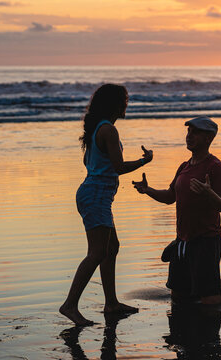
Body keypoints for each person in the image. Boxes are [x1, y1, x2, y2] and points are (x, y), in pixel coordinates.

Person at [133, 116, 221, 305]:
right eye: (188, 132)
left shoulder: (216, 168)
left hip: (206, 240)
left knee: (209, 300)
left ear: (208, 138)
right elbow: (170, 197)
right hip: (182, 241)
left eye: (195, 132)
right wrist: (147, 190)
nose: (189, 136)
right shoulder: (184, 167)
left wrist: (209, 194)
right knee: (179, 296)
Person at [60, 84, 153, 326]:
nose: (127, 103)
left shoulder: (97, 129)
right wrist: (144, 161)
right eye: (124, 99)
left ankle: (111, 303)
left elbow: (90, 163)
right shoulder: (108, 131)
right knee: (98, 251)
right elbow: (118, 167)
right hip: (95, 196)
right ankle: (69, 305)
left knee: (111, 248)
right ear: (113, 104)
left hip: (95, 194)